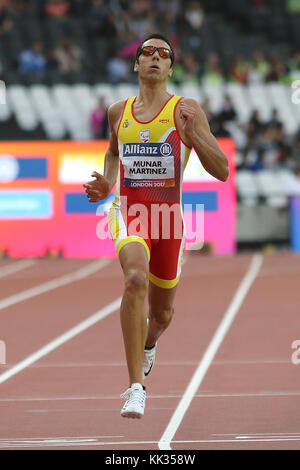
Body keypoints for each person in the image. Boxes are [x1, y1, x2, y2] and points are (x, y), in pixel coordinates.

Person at [83, 33, 229, 419]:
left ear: (170, 67)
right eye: (146, 52)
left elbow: (223, 171)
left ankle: (149, 344)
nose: (154, 57)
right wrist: (108, 183)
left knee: (162, 315)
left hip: (168, 220)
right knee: (134, 279)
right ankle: (136, 388)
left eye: (163, 54)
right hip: (129, 213)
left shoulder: (186, 110)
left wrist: (194, 134)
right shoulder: (119, 111)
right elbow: (113, 151)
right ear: (136, 65)